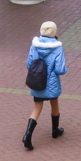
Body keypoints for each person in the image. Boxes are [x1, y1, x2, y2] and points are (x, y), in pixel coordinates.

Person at [23, 21, 67, 151]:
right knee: (54, 102)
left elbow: (28, 64)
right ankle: (55, 130)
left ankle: (28, 135)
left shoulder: (35, 46)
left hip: (38, 81)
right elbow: (60, 69)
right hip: (51, 82)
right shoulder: (57, 47)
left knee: (37, 107)